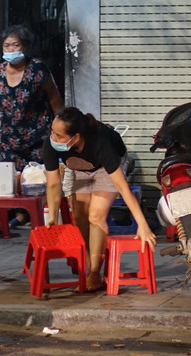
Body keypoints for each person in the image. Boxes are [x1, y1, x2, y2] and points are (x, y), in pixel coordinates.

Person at [43, 108, 156, 290]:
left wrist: (142, 224)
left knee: (95, 216)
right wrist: (53, 216)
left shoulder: (100, 142)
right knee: (79, 217)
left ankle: (95, 274)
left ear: (76, 137)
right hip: (79, 168)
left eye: (59, 135)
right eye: (52, 132)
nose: (53, 138)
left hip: (105, 167)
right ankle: (89, 270)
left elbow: (122, 186)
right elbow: (53, 184)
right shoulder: (50, 144)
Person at [0, 25, 62, 227]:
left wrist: (58, 125)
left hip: (38, 134)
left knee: (39, 178)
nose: (11, 49)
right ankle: (19, 215)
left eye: (16, 45)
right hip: (9, 136)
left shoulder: (37, 69)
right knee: (11, 179)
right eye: (7, 45)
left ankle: (42, 216)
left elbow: (54, 96)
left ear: (25, 47)